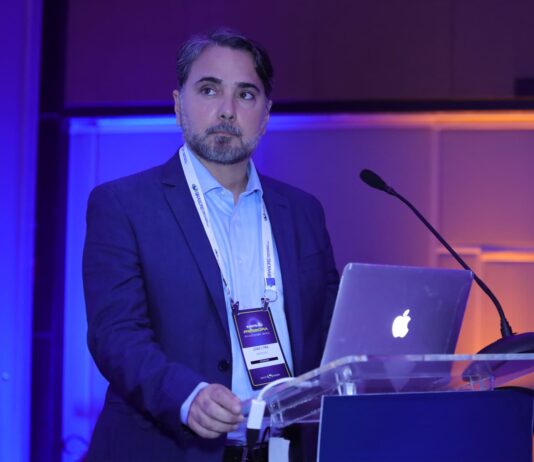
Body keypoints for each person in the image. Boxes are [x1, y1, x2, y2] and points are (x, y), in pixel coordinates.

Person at [82, 29, 339, 462]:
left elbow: (330, 333)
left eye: (246, 95)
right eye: (208, 90)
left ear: (266, 115)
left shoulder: (303, 211)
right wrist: (188, 396)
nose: (226, 110)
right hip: (166, 449)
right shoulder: (123, 204)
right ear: (178, 104)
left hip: (281, 449)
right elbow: (116, 335)